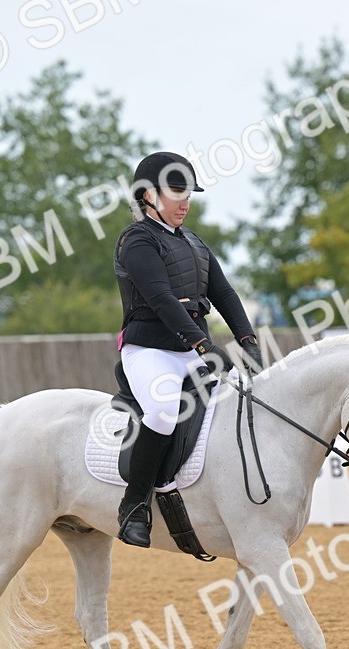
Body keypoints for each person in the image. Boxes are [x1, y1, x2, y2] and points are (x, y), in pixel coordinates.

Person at [113, 151, 263, 549]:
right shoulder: (136, 241)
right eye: (177, 192)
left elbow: (225, 294)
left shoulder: (195, 243)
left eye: (189, 194)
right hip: (150, 350)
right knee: (163, 411)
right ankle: (133, 506)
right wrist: (205, 346)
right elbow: (161, 299)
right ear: (147, 194)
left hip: (193, 351)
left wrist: (248, 341)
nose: (185, 201)